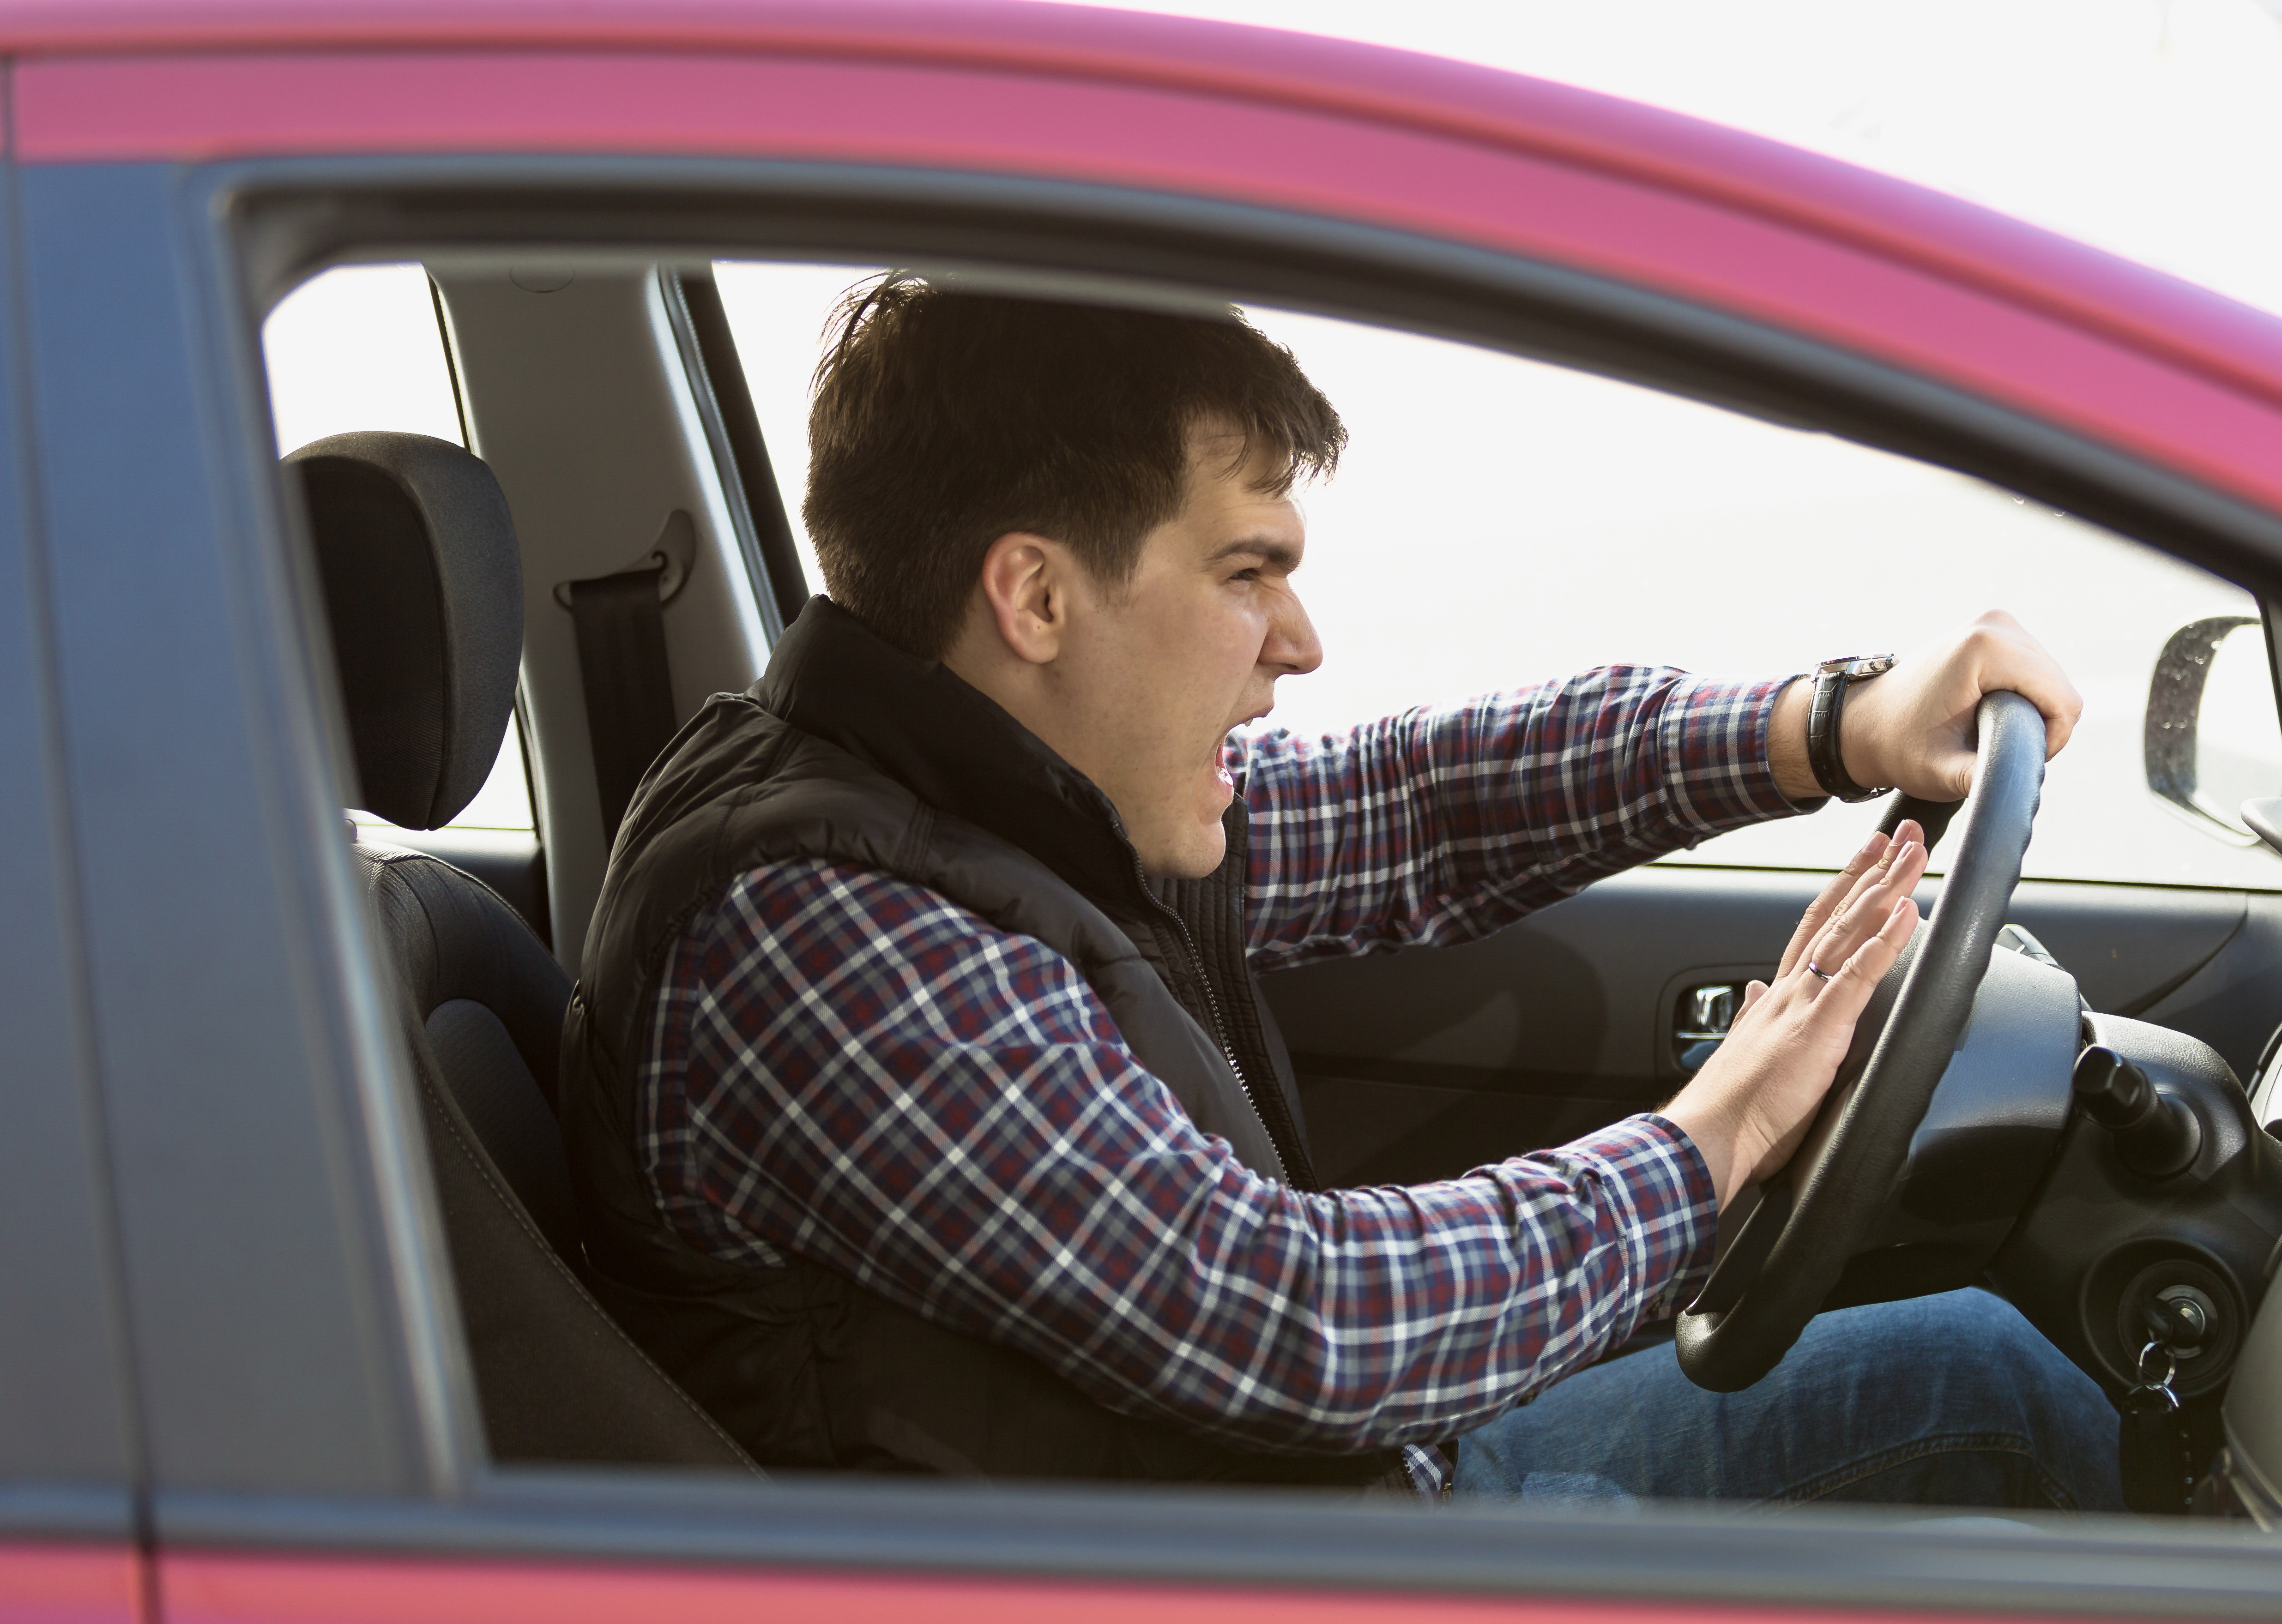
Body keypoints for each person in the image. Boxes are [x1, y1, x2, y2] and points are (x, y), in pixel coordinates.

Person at [557, 276, 2119, 1508]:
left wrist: (1833, 725)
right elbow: (1290, 1320)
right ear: (1034, 596)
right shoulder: (827, 939)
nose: (1297, 641)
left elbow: (1423, 806)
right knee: (2001, 1427)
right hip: (1250, 1560)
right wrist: (1725, 1136)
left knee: (1979, 1373)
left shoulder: (1007, 800)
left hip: (1304, 1509)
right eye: (1247, 573)